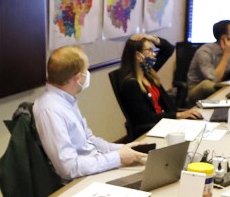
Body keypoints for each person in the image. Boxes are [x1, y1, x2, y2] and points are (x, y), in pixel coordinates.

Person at [34, 46, 146, 182]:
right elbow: (69, 168)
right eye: (86, 71)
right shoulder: (51, 109)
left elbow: (89, 139)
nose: (87, 75)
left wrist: (122, 149)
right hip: (80, 180)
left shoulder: (66, 99)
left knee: (148, 172)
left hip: (95, 165)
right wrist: (117, 157)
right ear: (77, 77)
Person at [118, 34, 202, 139]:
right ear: (138, 56)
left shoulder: (147, 72)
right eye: (149, 50)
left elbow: (168, 49)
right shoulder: (130, 84)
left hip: (165, 123)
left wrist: (151, 38)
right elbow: (146, 118)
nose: (153, 54)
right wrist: (178, 115)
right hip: (152, 129)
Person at [186, 19, 230, 104]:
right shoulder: (205, 51)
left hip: (218, 86)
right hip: (196, 89)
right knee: (208, 85)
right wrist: (226, 54)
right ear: (224, 38)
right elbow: (214, 79)